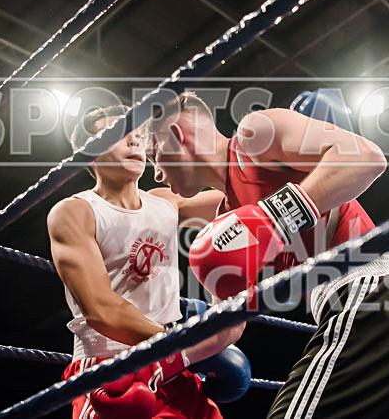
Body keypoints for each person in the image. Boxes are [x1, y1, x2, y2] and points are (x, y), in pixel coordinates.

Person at [146, 92, 389, 419]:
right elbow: (228, 325)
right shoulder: (229, 223)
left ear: (176, 134)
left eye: (154, 155)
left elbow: (366, 157)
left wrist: (276, 218)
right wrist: (162, 362)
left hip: (369, 298)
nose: (156, 172)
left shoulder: (255, 134)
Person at [47, 105, 244, 419]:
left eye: (138, 135)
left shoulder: (166, 202)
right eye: (117, 134)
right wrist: (183, 344)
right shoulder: (75, 211)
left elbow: (242, 202)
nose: (134, 142)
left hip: (172, 367)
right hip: (111, 370)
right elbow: (101, 310)